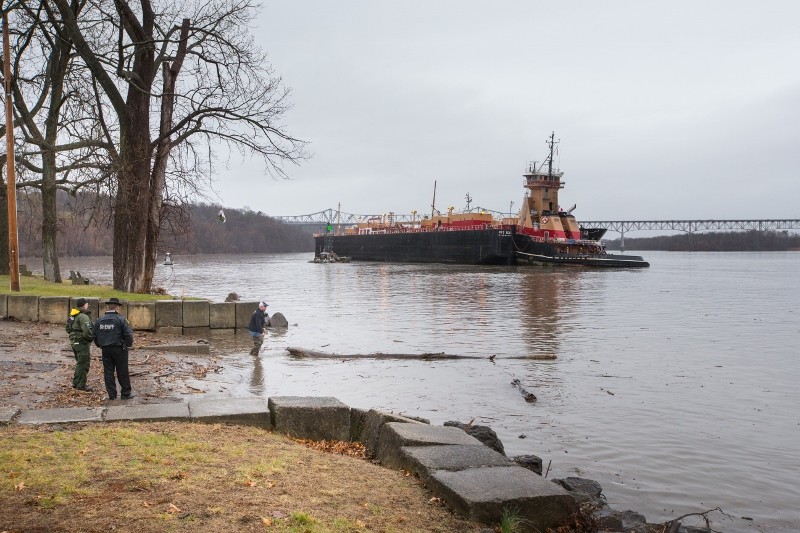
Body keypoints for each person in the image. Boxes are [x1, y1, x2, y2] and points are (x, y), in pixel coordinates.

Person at [93, 297, 135, 400]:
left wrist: (99, 344)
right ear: (117, 308)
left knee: (108, 372)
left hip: (105, 349)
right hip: (119, 349)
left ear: (108, 307)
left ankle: (112, 394)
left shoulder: (99, 320)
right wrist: (128, 345)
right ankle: (125, 393)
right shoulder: (121, 319)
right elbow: (128, 334)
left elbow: (94, 334)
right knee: (122, 371)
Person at [68, 298, 94, 392]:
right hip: (81, 342)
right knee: (83, 363)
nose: (88, 306)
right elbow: (87, 332)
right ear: (84, 305)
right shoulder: (83, 316)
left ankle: (76, 382)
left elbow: (67, 328)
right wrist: (92, 338)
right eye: (87, 304)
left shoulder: (73, 315)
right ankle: (81, 385)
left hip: (74, 341)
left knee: (79, 362)